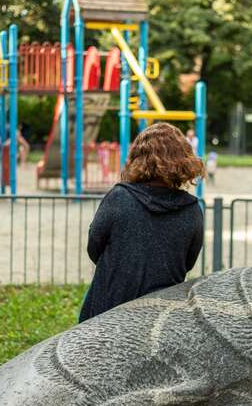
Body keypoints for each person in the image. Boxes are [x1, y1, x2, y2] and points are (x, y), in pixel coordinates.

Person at [79, 122, 205, 323]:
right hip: (162, 316)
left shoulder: (119, 197)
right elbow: (187, 262)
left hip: (109, 308)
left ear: (138, 158)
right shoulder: (192, 209)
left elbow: (94, 247)